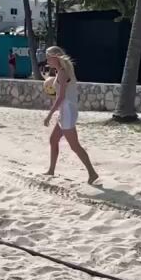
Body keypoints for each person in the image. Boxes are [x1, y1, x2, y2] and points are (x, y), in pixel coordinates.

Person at [43, 45, 98, 184]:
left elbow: (61, 97)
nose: (47, 60)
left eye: (48, 57)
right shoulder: (61, 71)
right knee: (53, 140)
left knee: (74, 146)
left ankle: (92, 173)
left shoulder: (62, 73)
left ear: (56, 57)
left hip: (67, 111)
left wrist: (49, 115)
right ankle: (51, 170)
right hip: (65, 111)